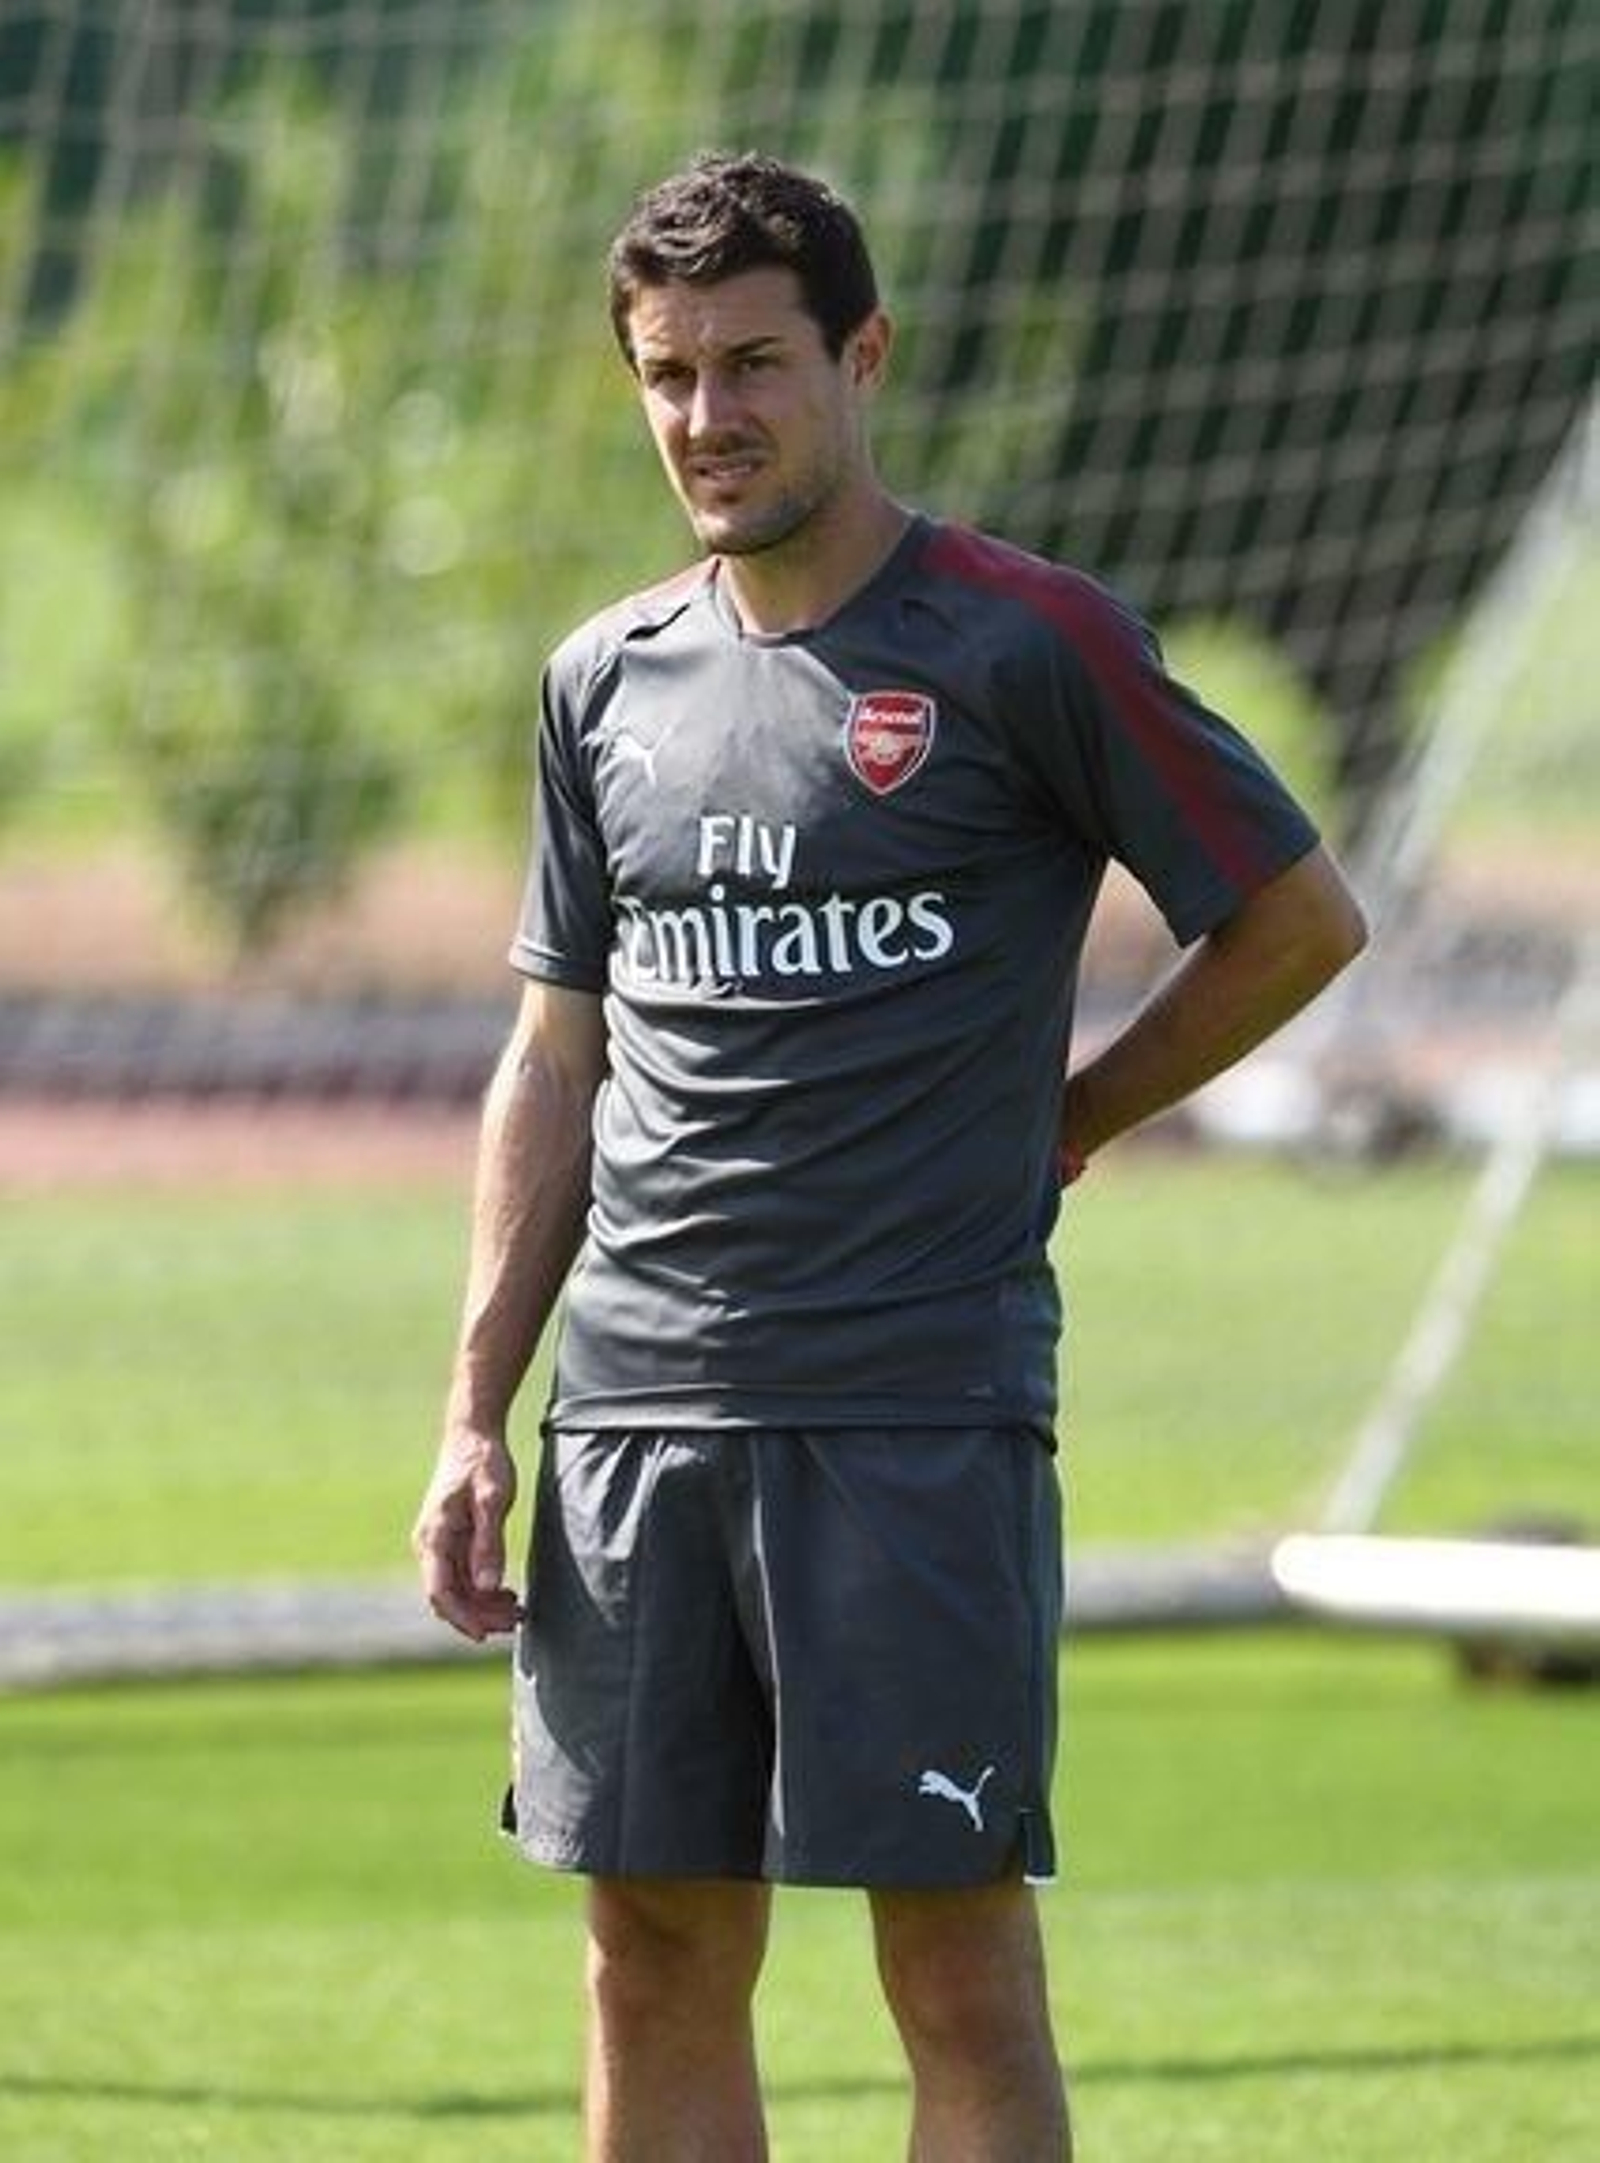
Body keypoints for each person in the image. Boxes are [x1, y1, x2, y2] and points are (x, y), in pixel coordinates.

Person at [412, 150, 1367, 2162]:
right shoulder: (602, 683)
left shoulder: (1025, 642)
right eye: (666, 374)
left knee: (949, 1967)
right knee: (646, 1950)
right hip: (638, 1417)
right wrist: (475, 1407)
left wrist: (1079, 1116)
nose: (706, 416)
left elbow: (1290, 917)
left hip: (912, 1414)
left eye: (752, 364)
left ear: (860, 357)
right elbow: (552, 1052)